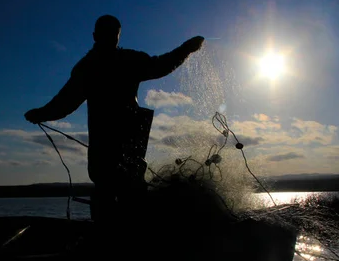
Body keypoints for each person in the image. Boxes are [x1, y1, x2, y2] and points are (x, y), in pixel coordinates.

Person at [24, 14, 204, 222]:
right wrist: (41, 113)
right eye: (106, 34)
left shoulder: (127, 60)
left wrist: (185, 50)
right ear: (95, 35)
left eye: (114, 34)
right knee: (109, 188)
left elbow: (161, 65)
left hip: (129, 141)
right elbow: (65, 102)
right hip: (105, 143)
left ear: (118, 36)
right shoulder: (89, 67)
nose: (110, 38)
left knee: (130, 188)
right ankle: (108, 239)